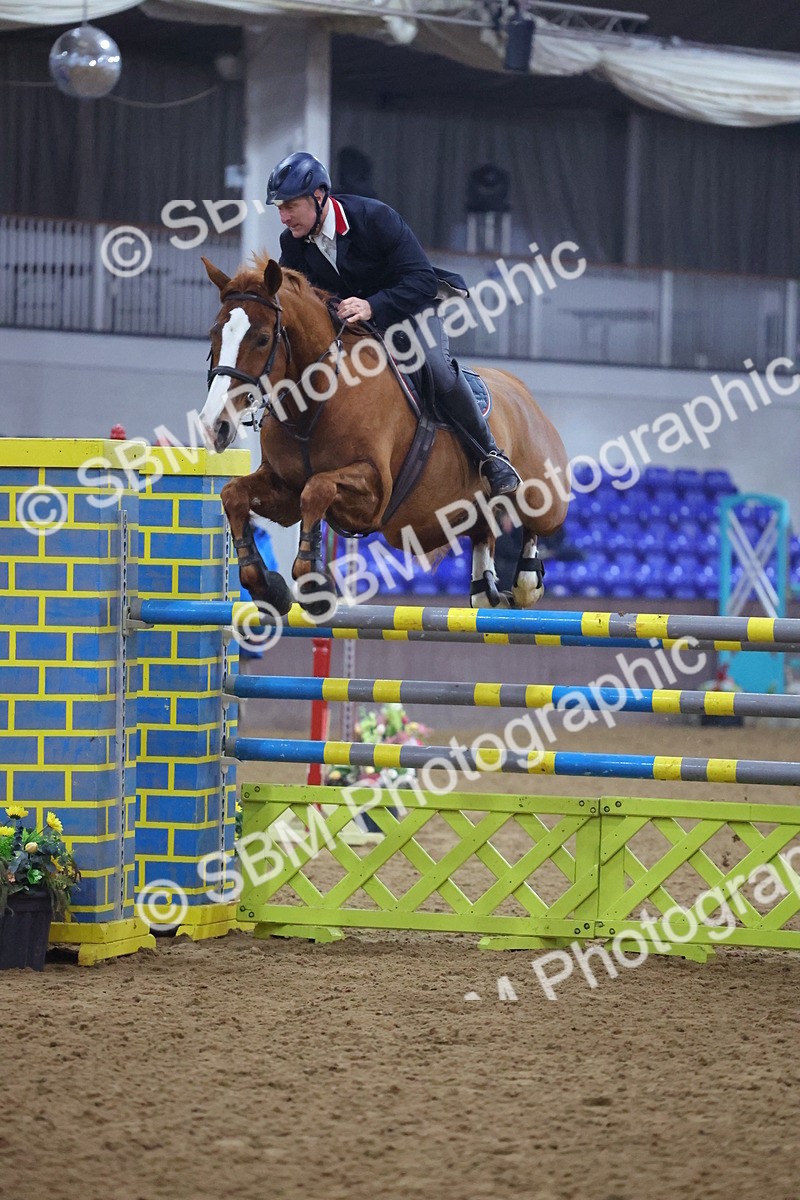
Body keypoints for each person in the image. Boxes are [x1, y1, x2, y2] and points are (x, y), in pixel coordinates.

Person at [266, 150, 522, 498]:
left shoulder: (375, 218)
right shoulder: (292, 244)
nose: (283, 217)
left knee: (436, 367)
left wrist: (372, 306)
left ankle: (490, 456)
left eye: (289, 206)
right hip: (352, 327)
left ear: (319, 196)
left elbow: (420, 280)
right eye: (279, 209)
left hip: (409, 312)